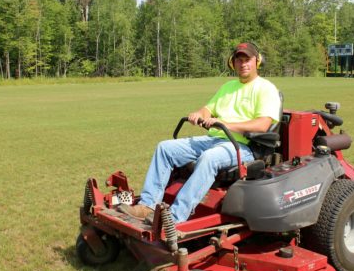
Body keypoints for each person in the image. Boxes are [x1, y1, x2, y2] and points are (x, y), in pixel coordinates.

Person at [120, 42, 281, 223]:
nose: (243, 64)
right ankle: (147, 205)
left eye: (247, 59)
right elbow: (208, 109)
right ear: (232, 63)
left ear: (257, 61)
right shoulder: (228, 87)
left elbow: (262, 125)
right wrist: (199, 114)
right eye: (239, 60)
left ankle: (174, 217)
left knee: (209, 158)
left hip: (243, 146)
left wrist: (225, 123)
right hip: (215, 139)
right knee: (165, 148)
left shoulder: (266, 88)